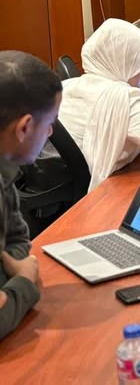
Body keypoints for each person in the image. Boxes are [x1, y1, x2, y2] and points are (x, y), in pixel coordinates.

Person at [59, 19, 140, 191]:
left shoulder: (67, 86)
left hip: (60, 185)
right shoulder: (123, 98)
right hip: (101, 193)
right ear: (126, 62)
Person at [0, 51, 62, 339]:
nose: (49, 132)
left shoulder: (6, 169)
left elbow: (17, 240)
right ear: (24, 127)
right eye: (49, 123)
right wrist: (24, 279)